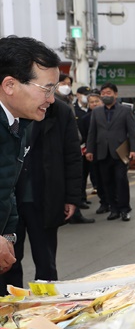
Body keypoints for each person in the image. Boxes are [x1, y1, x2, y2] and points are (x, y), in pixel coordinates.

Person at [0, 35, 60, 292]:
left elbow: (8, 188)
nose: (52, 99)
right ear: (10, 85)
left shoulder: (17, 125)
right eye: (47, 89)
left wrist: (8, 234)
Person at [3, 95, 83, 288]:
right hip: (10, 200)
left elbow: (72, 157)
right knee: (8, 261)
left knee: (45, 260)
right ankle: (11, 307)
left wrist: (72, 197)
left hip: (46, 197)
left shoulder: (59, 111)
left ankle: (48, 307)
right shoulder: (9, 107)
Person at [85, 82, 135, 222]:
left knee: (121, 180)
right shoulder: (96, 112)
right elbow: (92, 132)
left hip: (120, 152)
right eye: (103, 93)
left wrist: (134, 150)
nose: (105, 95)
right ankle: (113, 209)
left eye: (108, 93)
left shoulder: (125, 111)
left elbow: (131, 132)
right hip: (102, 152)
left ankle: (124, 209)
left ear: (115, 94)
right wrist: (90, 150)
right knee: (106, 182)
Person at [81, 93, 109, 213]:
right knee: (98, 179)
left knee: (110, 179)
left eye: (96, 101)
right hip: (94, 153)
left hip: (109, 152)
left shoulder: (109, 115)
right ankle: (104, 202)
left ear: (102, 101)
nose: (94, 104)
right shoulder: (85, 119)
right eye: (91, 102)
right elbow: (85, 136)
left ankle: (114, 201)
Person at [74, 86, 92, 209]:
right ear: (78, 95)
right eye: (85, 94)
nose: (87, 96)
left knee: (88, 173)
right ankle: (79, 199)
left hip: (90, 147)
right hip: (78, 147)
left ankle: (84, 197)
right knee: (79, 174)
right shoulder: (73, 110)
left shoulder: (92, 110)